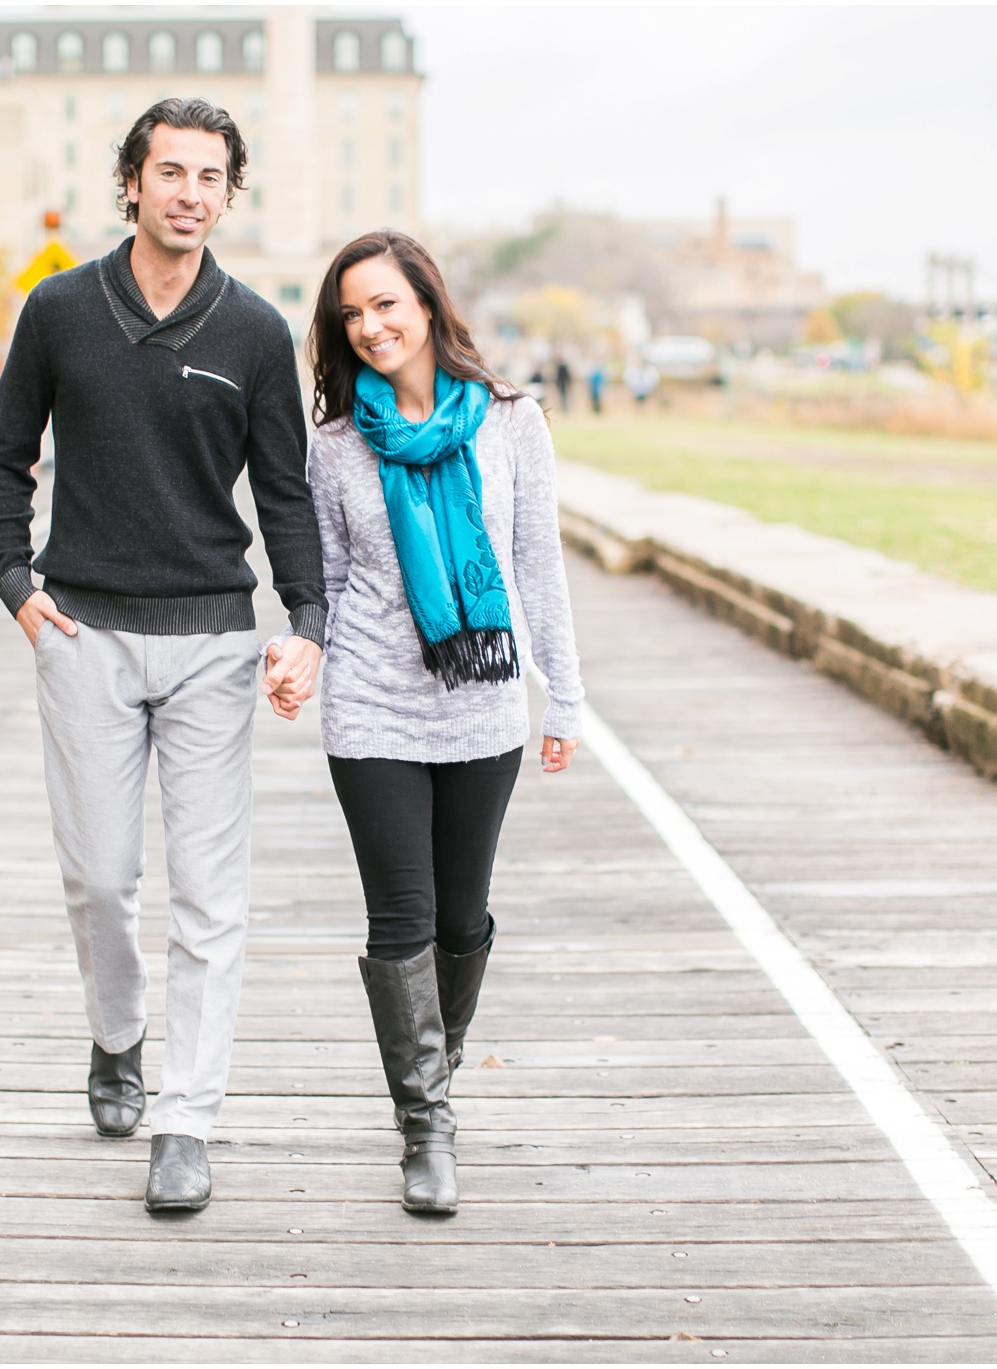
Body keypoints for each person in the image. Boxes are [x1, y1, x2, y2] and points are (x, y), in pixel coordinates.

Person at [0, 98, 325, 1213]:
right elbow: (4, 461)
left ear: (230, 194)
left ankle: (186, 1116)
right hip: (80, 633)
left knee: (210, 896)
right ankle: (116, 1037)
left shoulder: (256, 333)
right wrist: (17, 589)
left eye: (209, 176)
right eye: (168, 171)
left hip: (213, 643)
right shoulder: (60, 311)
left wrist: (305, 623)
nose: (189, 192)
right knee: (99, 879)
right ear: (130, 183)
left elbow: (283, 493)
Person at [304, 230, 585, 1214]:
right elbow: (332, 584)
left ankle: (433, 1066)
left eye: (385, 303)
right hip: (371, 709)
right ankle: (426, 1129)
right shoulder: (334, 446)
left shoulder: (510, 423)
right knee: (401, 921)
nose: (370, 326)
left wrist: (567, 694)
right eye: (351, 313)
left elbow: (534, 566)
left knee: (462, 920)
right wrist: (307, 660)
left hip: (481, 706)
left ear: (425, 302)